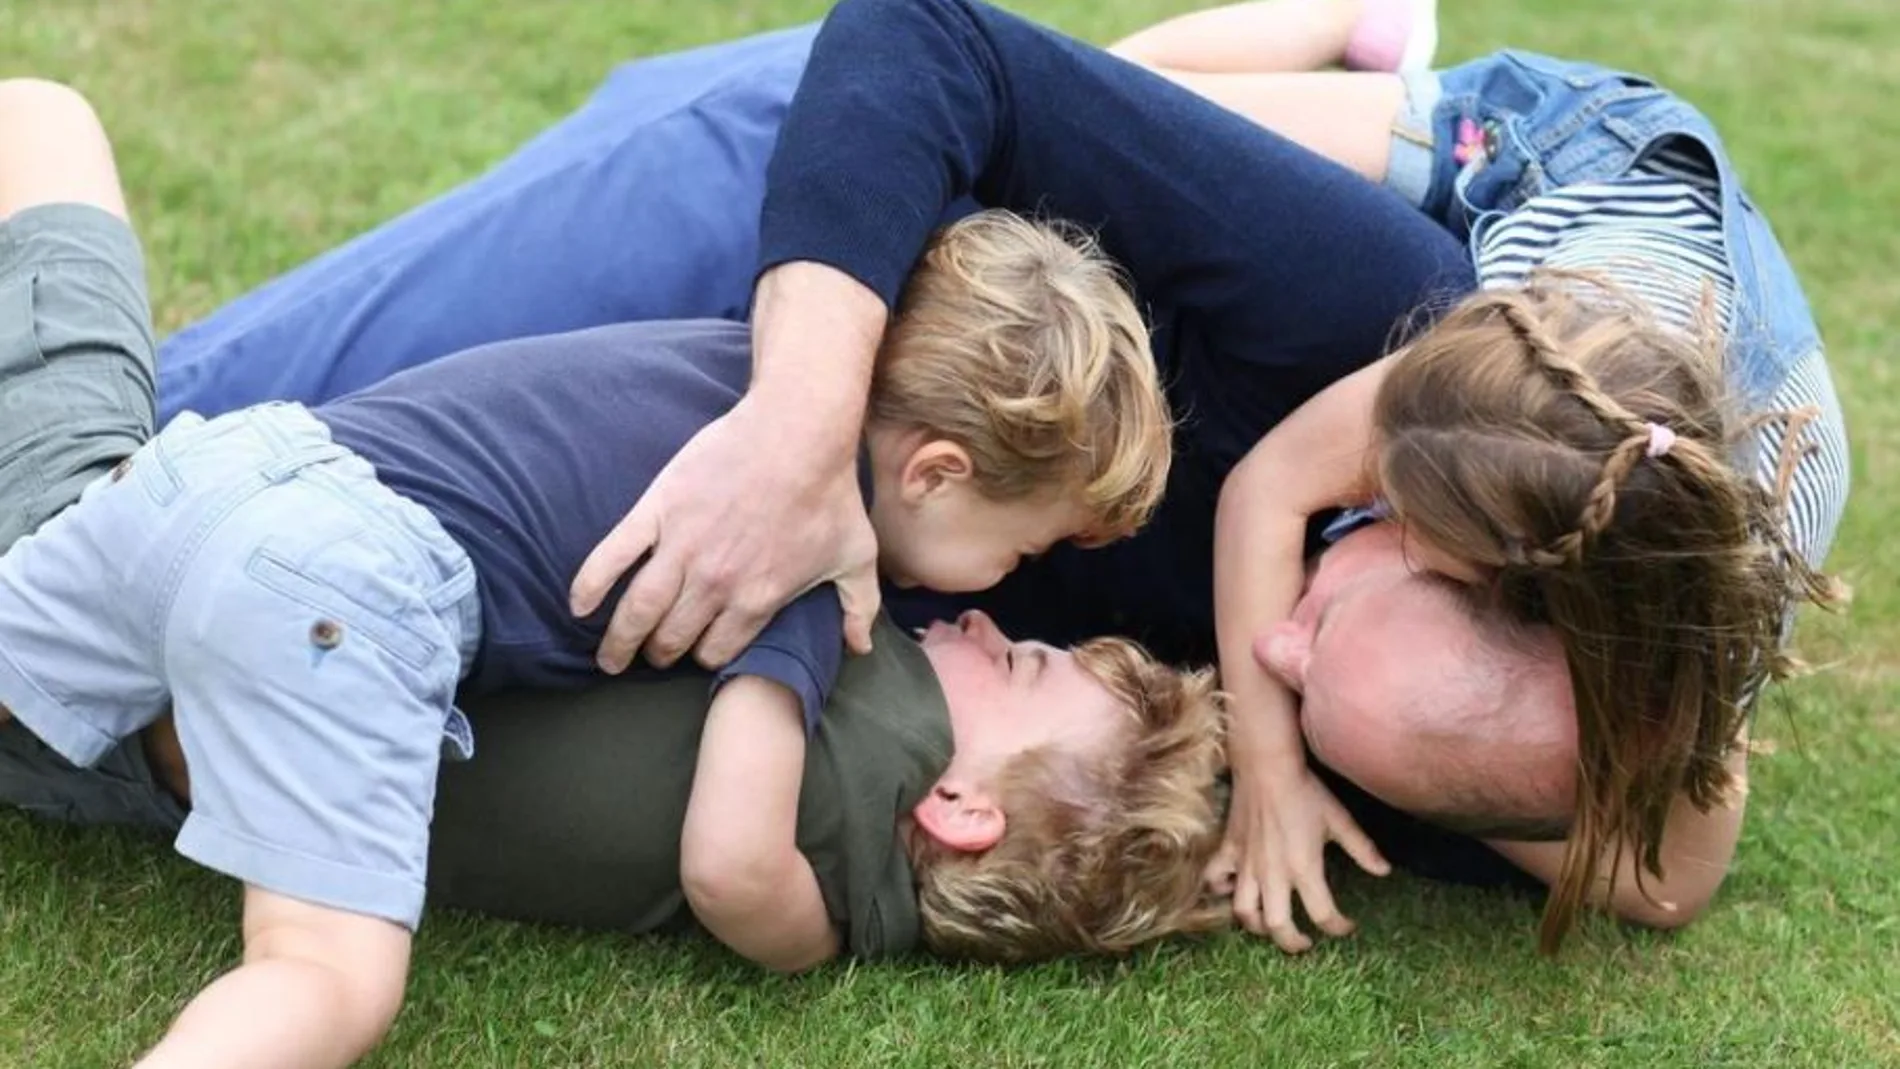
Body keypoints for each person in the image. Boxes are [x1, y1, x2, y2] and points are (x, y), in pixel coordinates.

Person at [153, 1, 1843, 951]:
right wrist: (802, 435)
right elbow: (917, 40)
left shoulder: (1478, 735)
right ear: (1429, 520)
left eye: (1308, 702)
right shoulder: (1405, 361)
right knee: (169, 441)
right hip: (852, 229)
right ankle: (1329, 63)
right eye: (1324, 606)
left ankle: (1260, 75)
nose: (1268, 653)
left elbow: (1668, 871)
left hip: (1018, 408)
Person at [0, 81, 1193, 1066]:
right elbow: (730, 856)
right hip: (347, 584)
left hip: (229, 470)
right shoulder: (808, 553)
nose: (995, 603)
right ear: (930, 472)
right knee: (321, 974)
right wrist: (801, 940)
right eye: (1025, 552)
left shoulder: (745, 364)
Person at [1105, 0, 1849, 950]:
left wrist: (1423, 759)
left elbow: (1668, 886)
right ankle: (1345, 18)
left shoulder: (1706, 613)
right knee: (1146, 102)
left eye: (1421, 535)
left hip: (1655, 329)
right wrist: (1268, 762)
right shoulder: (1497, 404)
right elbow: (1273, 481)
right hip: (1556, 149)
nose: (1274, 659)